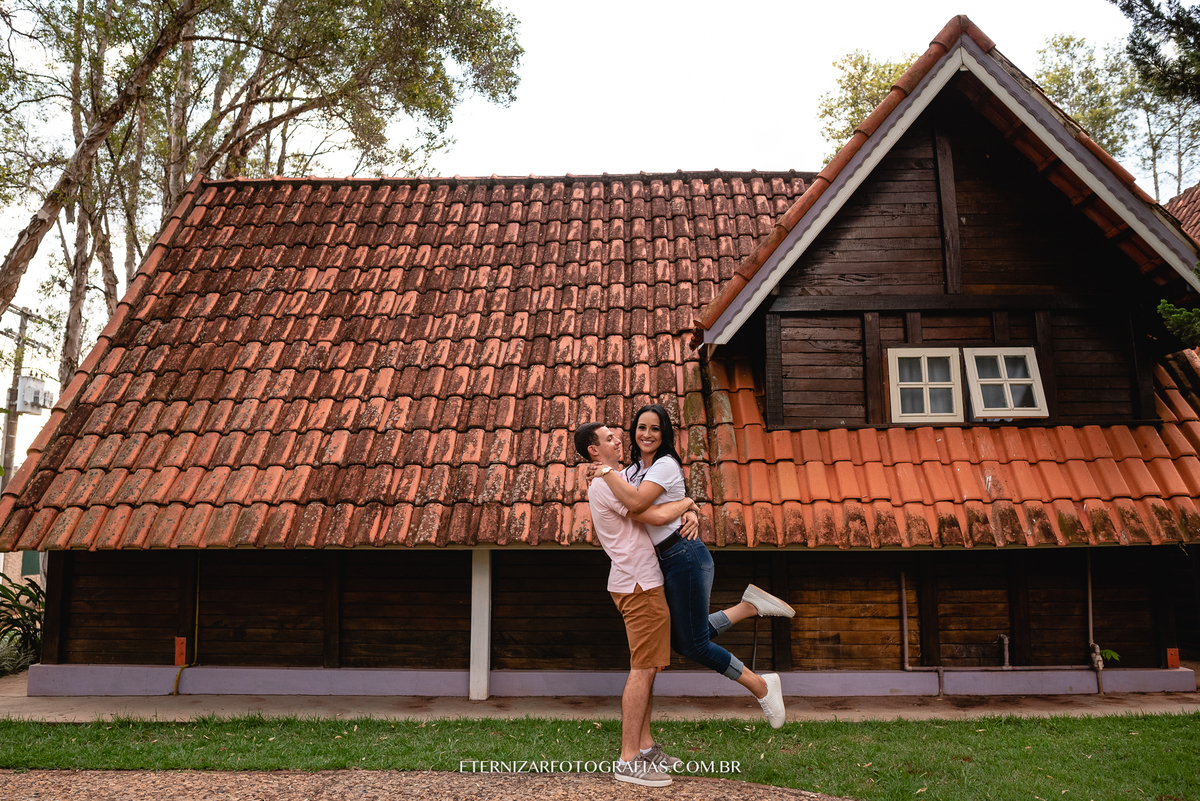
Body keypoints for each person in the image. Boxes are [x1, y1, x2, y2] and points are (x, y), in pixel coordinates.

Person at [593, 404, 792, 729]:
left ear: (664, 434)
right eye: (641, 427)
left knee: (693, 644)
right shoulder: (631, 472)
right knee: (681, 638)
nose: (646, 434)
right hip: (669, 560)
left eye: (655, 429)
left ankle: (762, 686)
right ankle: (749, 606)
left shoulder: (665, 465)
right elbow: (642, 503)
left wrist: (686, 504)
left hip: (685, 555)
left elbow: (641, 505)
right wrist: (686, 505)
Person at [574, 421, 697, 788]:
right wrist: (690, 502)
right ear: (594, 450)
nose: (618, 439)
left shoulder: (614, 477)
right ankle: (628, 760)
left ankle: (644, 747)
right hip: (638, 584)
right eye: (609, 437)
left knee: (649, 667)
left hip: (639, 581)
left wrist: (686, 510)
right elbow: (656, 514)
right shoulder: (608, 483)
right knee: (643, 669)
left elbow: (657, 505)